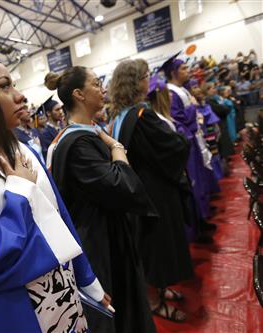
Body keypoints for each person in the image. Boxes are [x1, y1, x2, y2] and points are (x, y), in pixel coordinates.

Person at [0, 29, 112, 333]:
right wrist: (18, 191)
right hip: (12, 314)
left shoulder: (21, 149)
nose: (20, 94)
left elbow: (59, 219)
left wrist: (87, 279)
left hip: (64, 297)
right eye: (4, 86)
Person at [46, 66, 157, 333]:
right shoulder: (79, 144)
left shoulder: (86, 133)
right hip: (99, 242)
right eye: (96, 84)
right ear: (79, 94)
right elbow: (124, 186)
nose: (103, 88)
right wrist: (116, 147)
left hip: (108, 233)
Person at [108, 59, 194, 322]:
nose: (150, 81)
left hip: (140, 190)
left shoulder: (120, 117)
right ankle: (156, 300)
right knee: (158, 246)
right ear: (136, 82)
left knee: (152, 246)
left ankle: (161, 290)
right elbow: (174, 146)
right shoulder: (141, 117)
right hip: (154, 193)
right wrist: (180, 136)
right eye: (146, 76)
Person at [164, 53, 213, 223]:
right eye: (183, 68)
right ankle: (200, 219)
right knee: (195, 180)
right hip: (188, 139)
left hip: (195, 136)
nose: (188, 71)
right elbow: (178, 119)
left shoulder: (182, 89)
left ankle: (204, 211)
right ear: (173, 72)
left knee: (201, 175)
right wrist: (192, 107)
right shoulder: (171, 92)